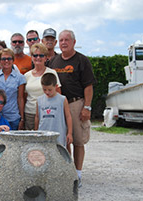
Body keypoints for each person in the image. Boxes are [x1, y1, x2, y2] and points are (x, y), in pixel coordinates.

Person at [49, 29, 96, 188]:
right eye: (61, 40)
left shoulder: (82, 60)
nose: (63, 43)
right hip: (58, 104)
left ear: (74, 42)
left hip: (76, 104)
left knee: (77, 141)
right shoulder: (54, 61)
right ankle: (67, 171)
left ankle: (78, 174)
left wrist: (87, 107)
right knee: (63, 140)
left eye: (66, 40)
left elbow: (88, 86)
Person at [24, 43, 61, 130]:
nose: (38, 58)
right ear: (31, 57)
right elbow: (24, 96)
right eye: (35, 55)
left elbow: (58, 94)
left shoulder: (52, 73)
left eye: (41, 55)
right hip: (30, 113)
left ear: (46, 57)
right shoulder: (26, 75)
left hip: (47, 112)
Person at [34, 73, 73, 146]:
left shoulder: (62, 99)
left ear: (56, 86)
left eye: (50, 90)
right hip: (43, 133)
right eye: (44, 89)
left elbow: (68, 116)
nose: (47, 92)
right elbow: (37, 116)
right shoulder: (39, 100)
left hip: (58, 134)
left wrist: (69, 133)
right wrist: (36, 131)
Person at [0, 48, 26, 130]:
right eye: (3, 59)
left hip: (13, 117)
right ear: (0, 60)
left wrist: (22, 118)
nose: (6, 61)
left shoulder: (20, 78)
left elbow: (20, 98)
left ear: (13, 60)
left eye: (9, 58)